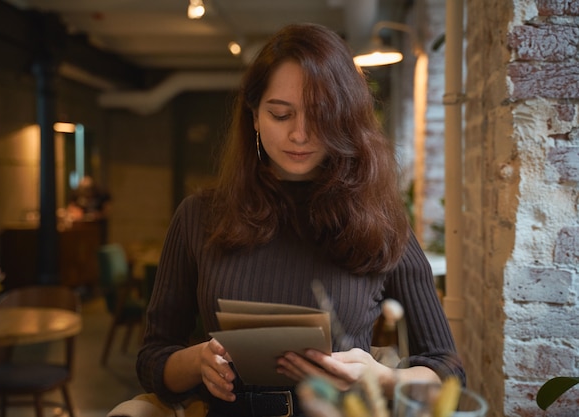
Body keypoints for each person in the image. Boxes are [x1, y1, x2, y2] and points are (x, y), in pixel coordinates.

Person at [137, 23, 465, 417]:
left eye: (321, 115)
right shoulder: (199, 216)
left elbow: (447, 370)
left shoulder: (381, 220)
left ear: (345, 117)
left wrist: (385, 378)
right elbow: (152, 358)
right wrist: (197, 361)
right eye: (281, 114)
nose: (300, 134)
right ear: (254, 116)